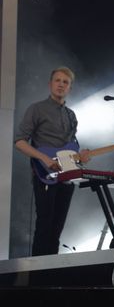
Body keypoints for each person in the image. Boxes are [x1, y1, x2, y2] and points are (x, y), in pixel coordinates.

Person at [14, 66, 90, 256]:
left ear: (70, 88)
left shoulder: (71, 115)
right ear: (50, 84)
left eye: (66, 82)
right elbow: (19, 141)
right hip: (45, 174)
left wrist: (81, 157)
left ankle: (51, 279)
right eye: (58, 80)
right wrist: (44, 158)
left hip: (66, 177)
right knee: (44, 228)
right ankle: (37, 282)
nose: (61, 85)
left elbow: (70, 148)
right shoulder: (37, 109)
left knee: (56, 231)